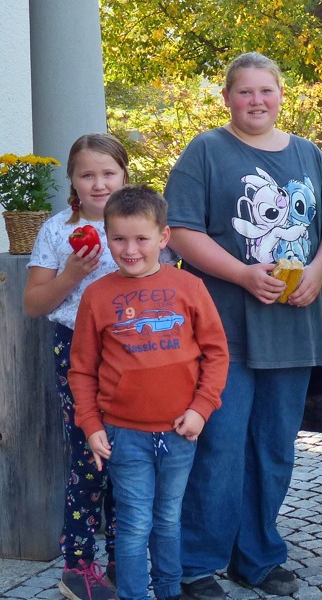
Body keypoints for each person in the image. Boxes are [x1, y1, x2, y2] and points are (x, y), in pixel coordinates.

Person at [164, 51, 322, 600]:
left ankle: (258, 556)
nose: (255, 101)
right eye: (244, 91)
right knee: (219, 445)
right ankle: (197, 563)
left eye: (265, 91)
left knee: (274, 447)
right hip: (223, 330)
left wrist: (317, 272)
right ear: (227, 98)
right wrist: (244, 275)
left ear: (280, 95)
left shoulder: (308, 155)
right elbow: (179, 230)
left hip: (291, 329)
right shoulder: (206, 151)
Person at [68, 185, 230, 600]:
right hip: (123, 433)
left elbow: (216, 354)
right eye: (119, 238)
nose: (130, 249)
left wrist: (201, 408)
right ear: (106, 236)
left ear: (164, 237)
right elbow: (82, 369)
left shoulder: (189, 287)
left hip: (180, 430)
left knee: (169, 519)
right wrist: (90, 424)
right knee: (135, 522)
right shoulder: (97, 295)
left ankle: (171, 590)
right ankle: (134, 595)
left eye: (141, 238)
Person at [24, 132, 132, 600]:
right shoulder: (57, 231)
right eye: (87, 174)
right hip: (78, 350)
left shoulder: (139, 223)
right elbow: (33, 303)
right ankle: (77, 566)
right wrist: (72, 273)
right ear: (72, 179)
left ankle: (121, 560)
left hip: (138, 352)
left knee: (131, 459)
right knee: (91, 456)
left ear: (125, 175)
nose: (99, 183)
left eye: (108, 173)